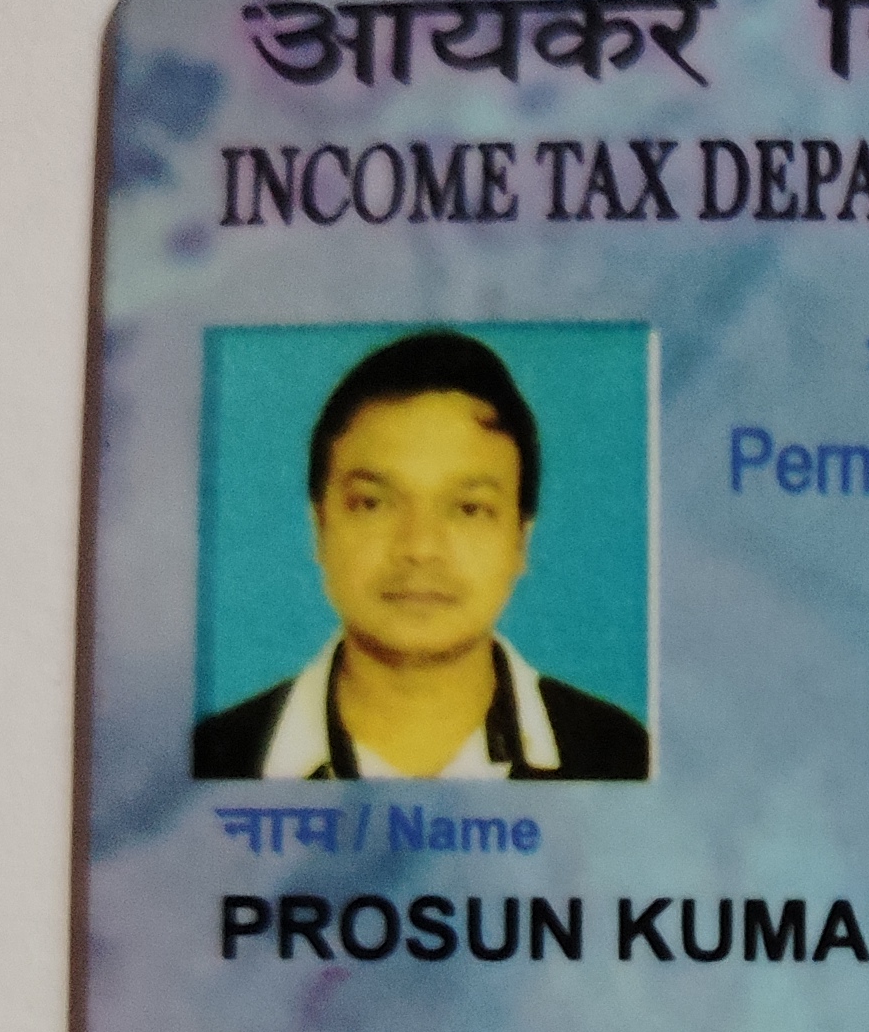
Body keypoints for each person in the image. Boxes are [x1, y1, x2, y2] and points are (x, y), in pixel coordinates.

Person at [191, 331, 650, 779]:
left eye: (469, 509)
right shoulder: (212, 759)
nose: (420, 548)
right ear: (320, 527)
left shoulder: (622, 758)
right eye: (372, 503)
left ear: (520, 540)